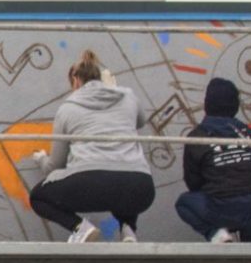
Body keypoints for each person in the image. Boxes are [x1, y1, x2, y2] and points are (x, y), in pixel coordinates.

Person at [26, 50, 155, 242]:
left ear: (76, 80)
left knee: (38, 197)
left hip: (90, 184)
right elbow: (141, 121)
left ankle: (80, 228)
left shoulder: (67, 108)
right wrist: (116, 90)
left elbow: (55, 166)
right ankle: (128, 229)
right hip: (141, 188)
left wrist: (41, 158)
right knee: (123, 168)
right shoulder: (127, 96)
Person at [176, 77, 251, 244]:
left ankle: (217, 234)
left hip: (226, 208)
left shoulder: (198, 136)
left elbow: (193, 182)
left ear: (207, 104)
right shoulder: (248, 133)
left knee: (185, 202)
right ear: (235, 105)